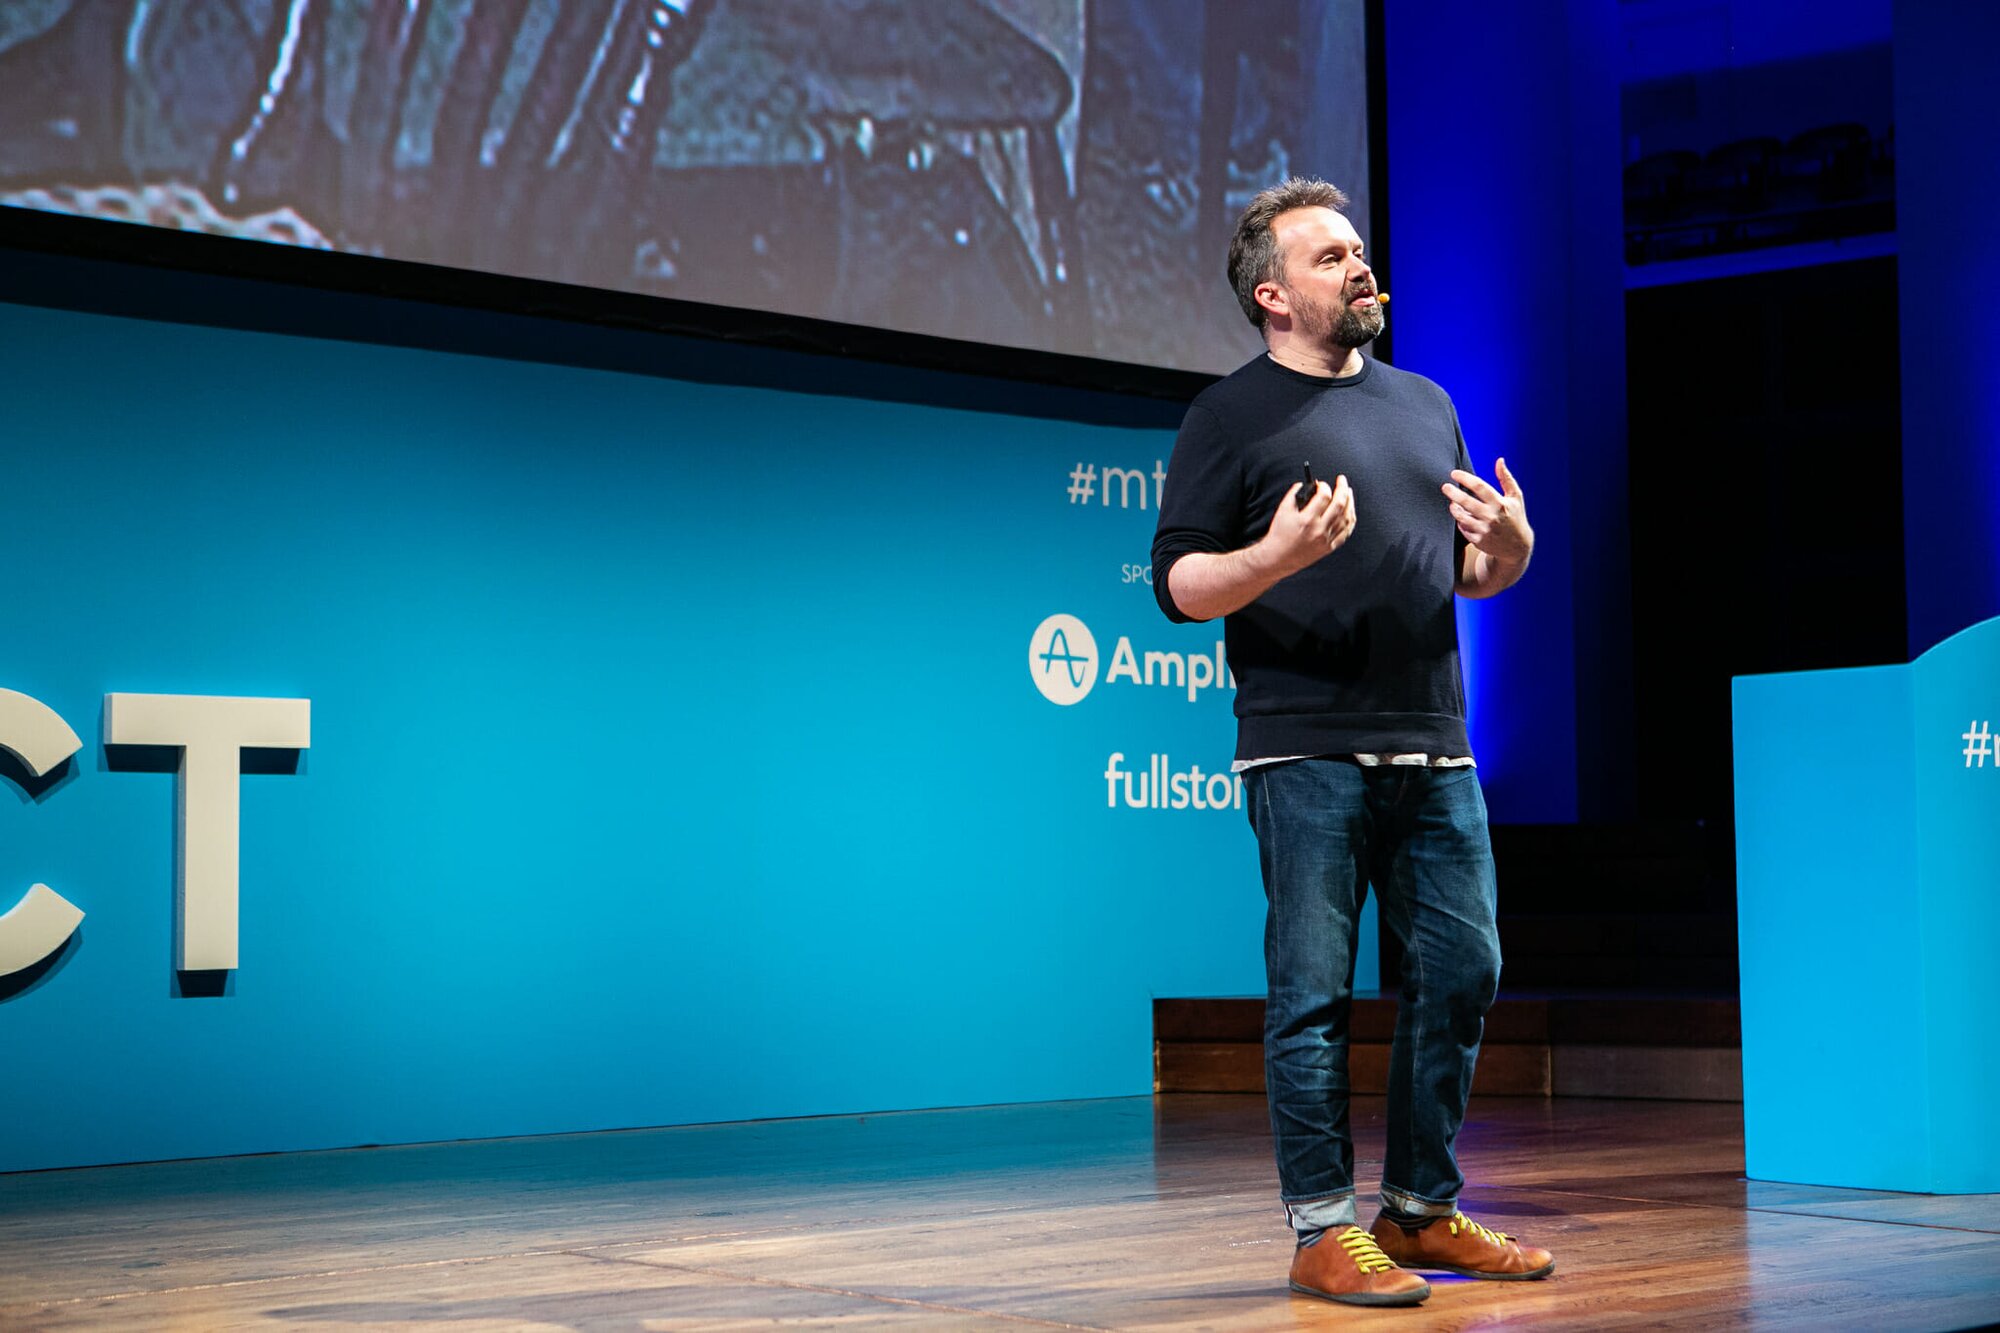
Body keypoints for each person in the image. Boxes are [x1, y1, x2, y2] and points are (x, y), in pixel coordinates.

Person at [1150, 177, 1555, 1308]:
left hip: (1434, 742)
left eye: (1359, 249)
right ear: (1272, 295)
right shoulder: (1229, 419)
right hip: (1303, 750)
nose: (1359, 265)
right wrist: (1270, 560)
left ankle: (1417, 1209)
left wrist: (1510, 553)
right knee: (1312, 993)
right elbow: (1176, 584)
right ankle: (1321, 1227)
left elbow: (1462, 571)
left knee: (1462, 971)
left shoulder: (1424, 403)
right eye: (1330, 257)